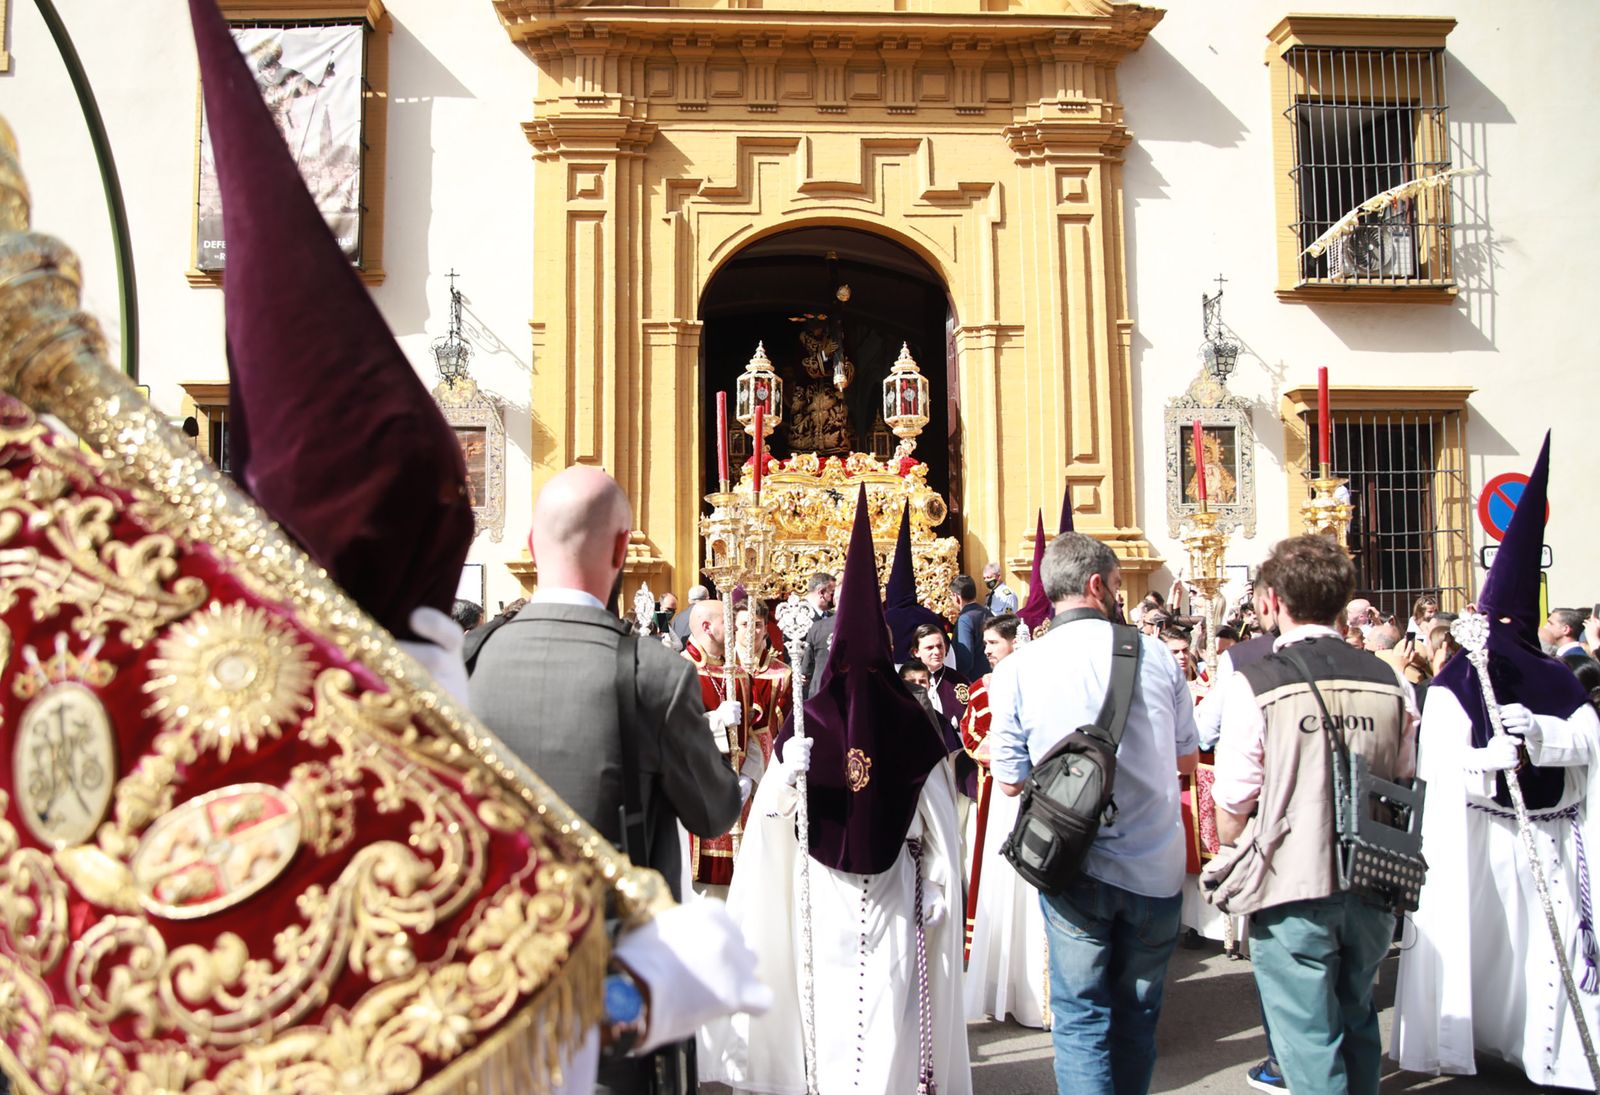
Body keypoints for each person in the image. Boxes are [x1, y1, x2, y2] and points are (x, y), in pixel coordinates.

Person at [469, 467, 749, 1094]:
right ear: (622, 549)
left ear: (534, 547)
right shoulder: (653, 671)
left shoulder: (472, 657)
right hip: (612, 981)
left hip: (493, 971)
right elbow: (712, 813)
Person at [702, 489, 972, 1094]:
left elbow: (935, 814)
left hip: (896, 880)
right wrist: (783, 773)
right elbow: (772, 817)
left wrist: (936, 882)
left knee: (891, 996)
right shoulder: (811, 718)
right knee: (828, 995)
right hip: (822, 883)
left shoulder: (909, 721)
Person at [1394, 434, 1600, 1092]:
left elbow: (1590, 744)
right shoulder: (1459, 680)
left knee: (1542, 958)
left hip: (1553, 838)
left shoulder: (1557, 681)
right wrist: (1488, 757)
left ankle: (1546, 1052)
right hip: (1483, 838)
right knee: (1498, 954)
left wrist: (1541, 736)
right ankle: (1481, 1041)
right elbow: (1443, 764)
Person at [989, 532, 1200, 1095]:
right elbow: (1186, 759)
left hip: (1069, 864)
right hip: (1155, 861)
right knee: (1138, 1014)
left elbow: (1008, 782)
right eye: (1115, 584)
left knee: (1082, 1018)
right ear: (1096, 585)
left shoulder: (1018, 669)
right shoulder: (1155, 655)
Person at [1208, 534, 1417, 1095]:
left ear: (1273, 601)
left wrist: (1238, 842)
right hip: (1373, 873)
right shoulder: (1391, 680)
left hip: (1291, 879)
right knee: (1357, 1018)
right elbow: (1403, 774)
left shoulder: (1255, 682)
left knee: (1306, 1038)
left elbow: (1232, 803)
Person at [962, 613, 1049, 1029]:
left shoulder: (1033, 679)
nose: (988, 652)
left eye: (994, 644)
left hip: (1025, 790)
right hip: (1002, 792)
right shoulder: (983, 687)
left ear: (1015, 642)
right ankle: (1008, 982)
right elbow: (972, 735)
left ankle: (1038, 986)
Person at [681, 599, 768, 895]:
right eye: (727, 623)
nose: (736, 629)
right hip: (697, 794)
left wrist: (750, 777)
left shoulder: (740, 675)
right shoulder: (681, 669)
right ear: (706, 627)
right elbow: (670, 733)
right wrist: (716, 722)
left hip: (738, 800)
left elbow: (754, 735)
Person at [797, 571, 837, 699]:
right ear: (821, 592)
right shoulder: (796, 614)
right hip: (804, 688)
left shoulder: (833, 618)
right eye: (832, 594)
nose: (834, 598)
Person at [952, 573, 990, 679]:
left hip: (972, 681)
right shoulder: (987, 613)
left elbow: (965, 658)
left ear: (956, 597)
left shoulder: (965, 619)